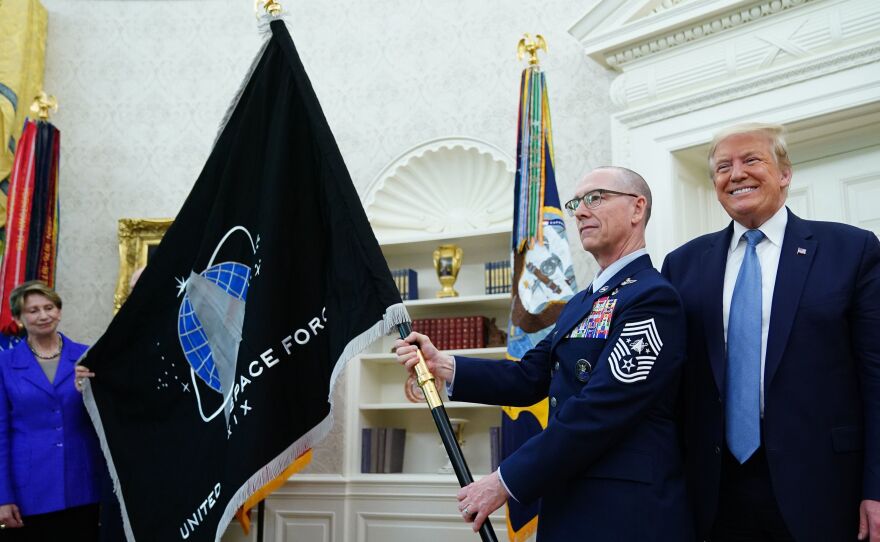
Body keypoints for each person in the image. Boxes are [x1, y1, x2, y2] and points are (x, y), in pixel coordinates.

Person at [397, 167, 693, 541]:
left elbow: (602, 407)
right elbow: (530, 377)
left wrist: (506, 480)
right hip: (568, 502)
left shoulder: (652, 298)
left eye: (596, 198)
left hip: (625, 513)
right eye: (576, 203)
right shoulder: (581, 302)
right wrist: (443, 364)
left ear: (637, 208)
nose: (581, 212)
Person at [661, 122, 880, 541]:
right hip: (713, 491)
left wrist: (876, 487)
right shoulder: (682, 265)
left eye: (752, 160)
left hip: (825, 487)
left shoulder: (852, 251)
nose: (736, 173)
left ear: (785, 173)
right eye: (723, 167)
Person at [0, 280, 101, 540]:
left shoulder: (87, 356)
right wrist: (3, 496)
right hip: (29, 491)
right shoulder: (5, 364)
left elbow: (109, 420)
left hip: (83, 484)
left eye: (49, 307)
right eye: (33, 310)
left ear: (59, 311)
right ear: (18, 317)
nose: (44, 315)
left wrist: (92, 395)